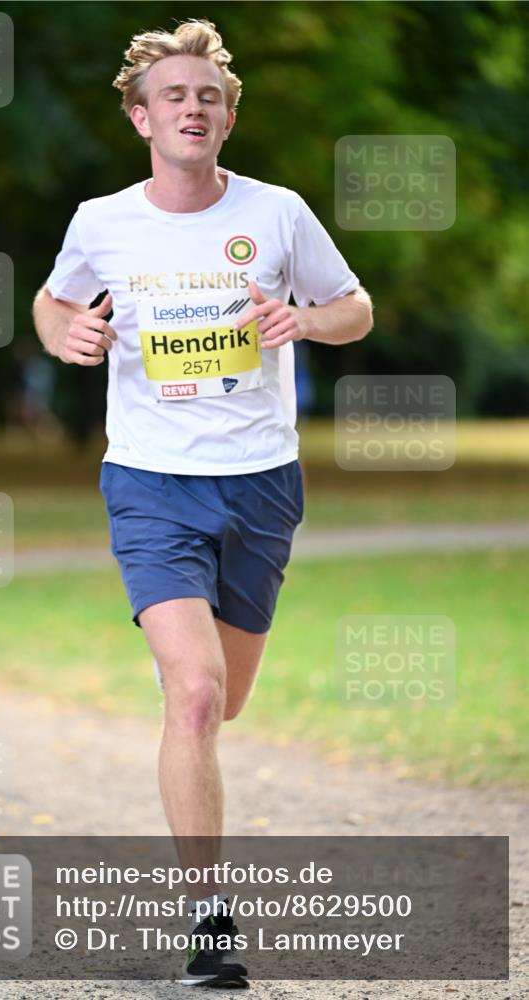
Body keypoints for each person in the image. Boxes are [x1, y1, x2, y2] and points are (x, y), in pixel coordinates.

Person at [33, 18, 373, 988]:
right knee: (193, 693)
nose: (193, 108)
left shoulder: (277, 214)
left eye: (208, 96)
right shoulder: (103, 221)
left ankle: (189, 685)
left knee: (224, 699)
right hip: (146, 478)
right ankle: (208, 923)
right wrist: (66, 335)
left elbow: (355, 309)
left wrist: (300, 318)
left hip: (261, 479)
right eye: (174, 96)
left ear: (227, 118)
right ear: (142, 117)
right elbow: (55, 302)